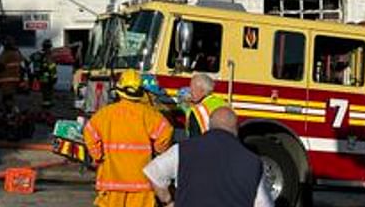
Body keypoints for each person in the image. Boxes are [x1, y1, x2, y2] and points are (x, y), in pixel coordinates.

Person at [143, 107, 274, 207]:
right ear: (236, 129)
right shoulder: (253, 162)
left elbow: (153, 172)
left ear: (209, 125)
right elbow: (264, 204)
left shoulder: (184, 149)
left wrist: (168, 201)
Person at [83, 70, 174, 207]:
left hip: (111, 181)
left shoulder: (105, 114)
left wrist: (98, 155)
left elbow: (89, 132)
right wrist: (158, 150)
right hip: (141, 183)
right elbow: (166, 133)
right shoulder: (149, 115)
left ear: (119, 90)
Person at [183, 74, 227, 138]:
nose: (190, 92)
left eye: (193, 90)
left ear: (203, 91)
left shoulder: (197, 111)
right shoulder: (223, 104)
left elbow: (194, 139)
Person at [0, 36, 25, 110]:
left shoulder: (6, 53)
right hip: (15, 78)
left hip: (5, 78)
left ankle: (10, 112)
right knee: (11, 95)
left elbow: (0, 66)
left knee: (6, 96)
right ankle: (13, 110)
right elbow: (23, 65)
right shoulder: (17, 53)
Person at [29, 39, 58, 108]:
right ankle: (47, 104)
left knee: (45, 89)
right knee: (48, 90)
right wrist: (54, 77)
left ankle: (46, 102)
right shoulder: (48, 55)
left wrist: (31, 72)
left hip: (40, 76)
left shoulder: (37, 54)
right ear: (49, 47)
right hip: (48, 76)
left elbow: (28, 60)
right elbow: (52, 67)